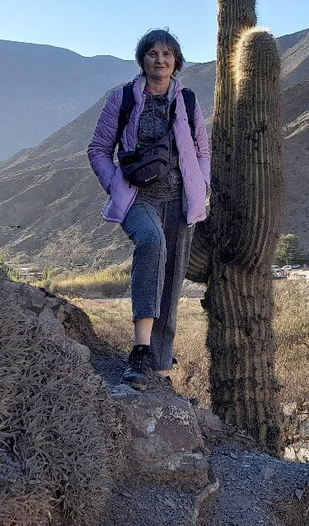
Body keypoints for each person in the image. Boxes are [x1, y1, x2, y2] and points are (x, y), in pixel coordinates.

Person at [87, 29, 210, 390]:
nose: (160, 60)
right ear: (142, 59)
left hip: (179, 201)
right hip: (138, 198)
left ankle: (159, 370)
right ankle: (141, 350)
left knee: (171, 279)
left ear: (176, 61)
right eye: (153, 54)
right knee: (152, 242)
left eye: (167, 54)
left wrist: (202, 186)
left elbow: (202, 150)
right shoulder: (124, 98)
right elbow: (98, 149)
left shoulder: (187, 100)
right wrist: (114, 184)